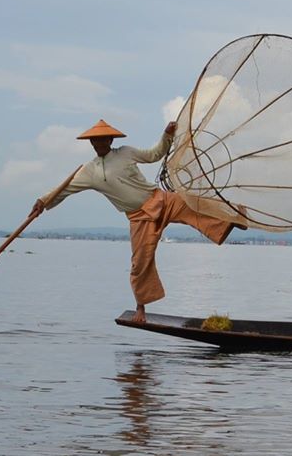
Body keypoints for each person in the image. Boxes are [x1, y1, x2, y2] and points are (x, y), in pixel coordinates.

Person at [30, 118, 246, 315]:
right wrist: (43, 202)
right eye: (95, 141)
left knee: (192, 204)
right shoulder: (89, 171)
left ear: (111, 139)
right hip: (139, 218)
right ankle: (140, 308)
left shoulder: (125, 152)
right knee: (140, 263)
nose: (99, 144)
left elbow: (154, 154)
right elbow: (65, 189)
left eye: (103, 140)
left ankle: (234, 217)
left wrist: (167, 135)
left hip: (160, 200)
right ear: (92, 143)